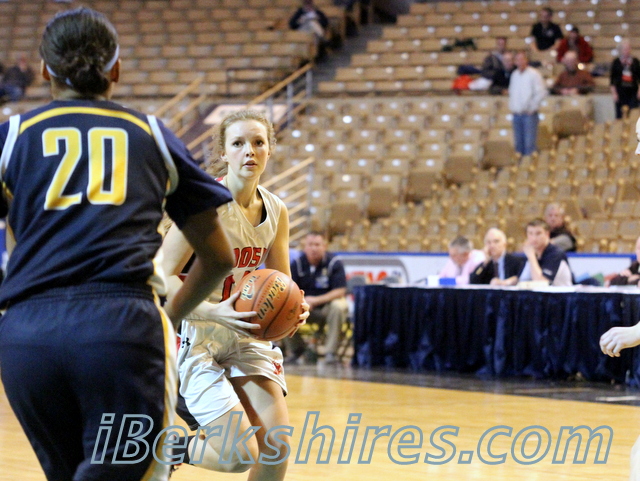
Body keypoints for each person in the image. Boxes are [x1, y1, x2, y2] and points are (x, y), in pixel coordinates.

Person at [0, 8, 237, 481]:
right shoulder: (150, 134)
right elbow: (218, 257)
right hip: (121, 327)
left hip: (27, 336)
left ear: (44, 70)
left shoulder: (10, 139)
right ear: (116, 70)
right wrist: (168, 317)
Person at [161, 109, 308, 480]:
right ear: (224, 153)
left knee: (275, 449)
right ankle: (165, 449)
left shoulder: (276, 210)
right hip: (192, 334)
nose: (249, 151)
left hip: (243, 333)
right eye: (239, 143)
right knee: (238, 455)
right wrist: (213, 312)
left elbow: (281, 281)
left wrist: (295, 310)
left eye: (258, 142)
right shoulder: (204, 205)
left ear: (269, 150)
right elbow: (160, 276)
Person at [283, 231, 348, 365]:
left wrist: (315, 301)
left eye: (317, 244)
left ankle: (330, 353)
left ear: (325, 246)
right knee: (282, 307)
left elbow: (340, 291)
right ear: (305, 247)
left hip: (327, 307)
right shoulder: (297, 264)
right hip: (303, 307)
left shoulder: (334, 263)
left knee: (339, 306)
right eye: (310, 244)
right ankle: (297, 349)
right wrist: (302, 302)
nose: (314, 248)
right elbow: (289, 289)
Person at [509, 51, 547, 156]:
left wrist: (532, 107)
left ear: (526, 60)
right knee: (518, 145)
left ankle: (529, 164)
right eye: (518, 60)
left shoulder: (534, 74)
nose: (520, 62)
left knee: (529, 144)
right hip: (517, 114)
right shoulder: (514, 75)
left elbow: (541, 92)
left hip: (529, 114)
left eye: (522, 59)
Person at [518, 219, 574, 286]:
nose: (534, 238)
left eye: (538, 233)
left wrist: (531, 257)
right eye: (530, 233)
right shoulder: (532, 251)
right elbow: (520, 278)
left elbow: (542, 282)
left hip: (561, 292)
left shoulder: (555, 253)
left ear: (547, 234)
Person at [610, 39, 640, 119]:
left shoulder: (635, 61)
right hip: (620, 92)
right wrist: (614, 93)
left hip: (632, 92)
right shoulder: (616, 62)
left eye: (628, 48)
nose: (627, 50)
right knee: (620, 114)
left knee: (633, 113)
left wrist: (639, 91)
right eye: (625, 49)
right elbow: (612, 79)